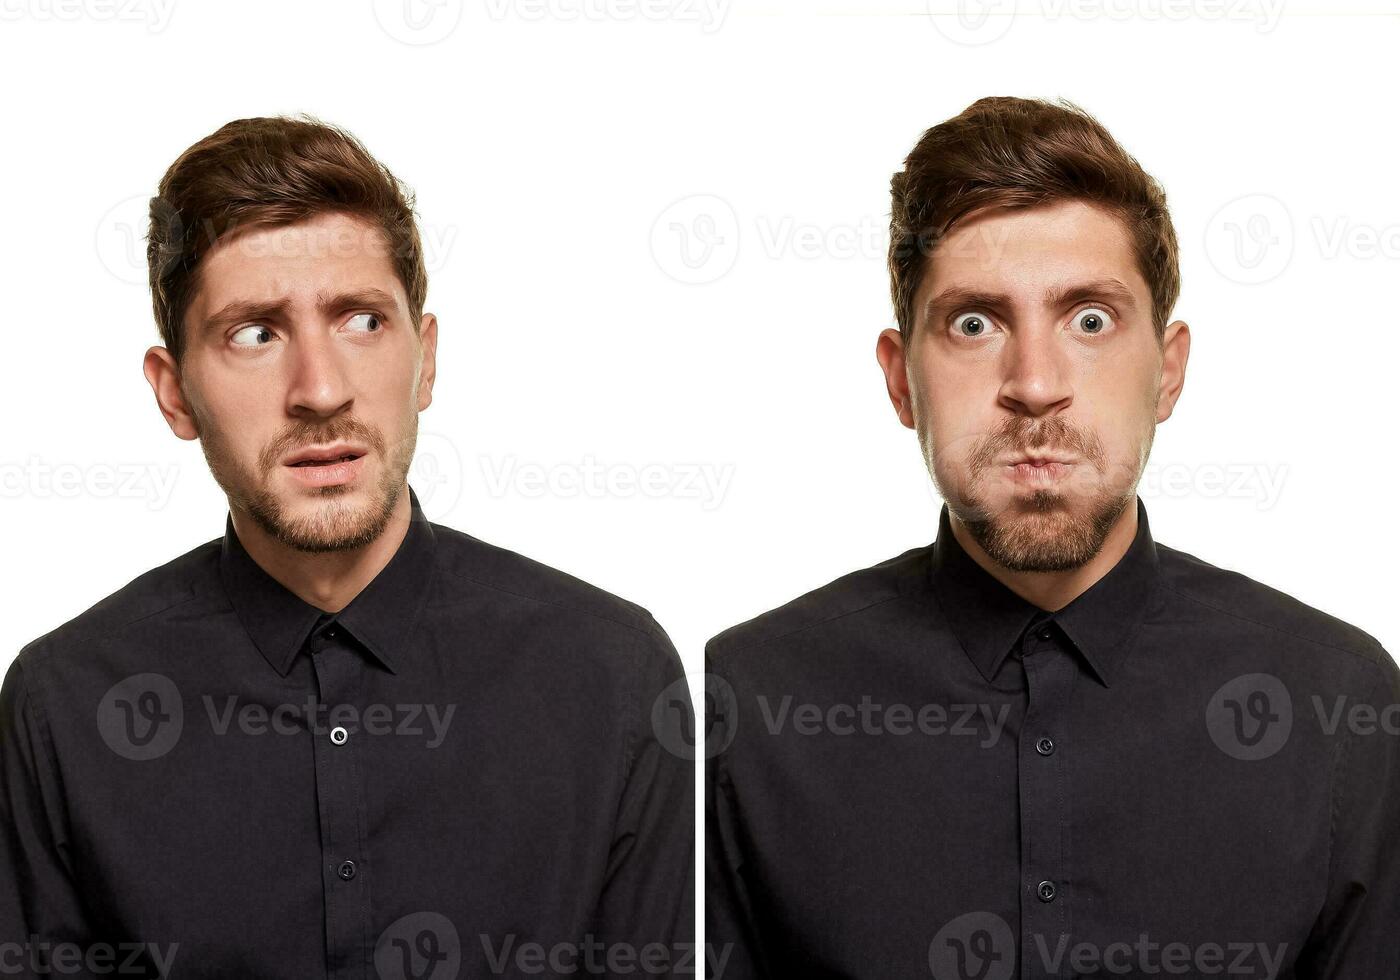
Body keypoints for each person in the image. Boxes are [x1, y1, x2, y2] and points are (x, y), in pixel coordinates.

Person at [704, 96, 1399, 979]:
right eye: (974, 323)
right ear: (900, 380)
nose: (1034, 385)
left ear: (1169, 371)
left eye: (1090, 320)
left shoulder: (1340, 706)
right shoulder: (745, 705)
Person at [0, 115, 693, 979]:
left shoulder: (613, 677)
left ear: (425, 359)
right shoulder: (61, 708)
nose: (320, 391)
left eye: (361, 320)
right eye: (255, 333)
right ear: (174, 393)